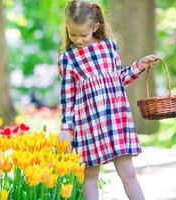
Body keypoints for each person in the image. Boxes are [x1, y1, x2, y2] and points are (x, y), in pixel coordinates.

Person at [57, 1, 159, 199]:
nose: (78, 39)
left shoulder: (109, 46)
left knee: (128, 172)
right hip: (88, 124)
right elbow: (67, 97)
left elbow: (120, 78)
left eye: (83, 34)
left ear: (95, 27)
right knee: (90, 174)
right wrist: (66, 129)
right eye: (72, 34)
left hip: (116, 118)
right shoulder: (67, 58)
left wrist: (140, 65)